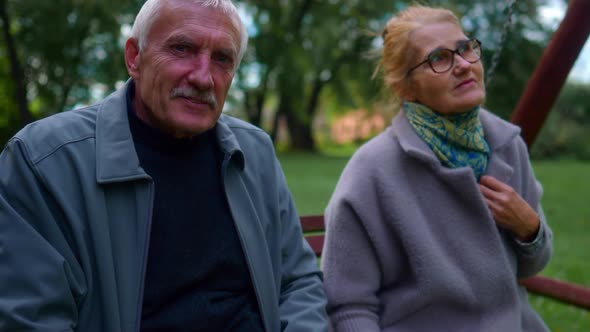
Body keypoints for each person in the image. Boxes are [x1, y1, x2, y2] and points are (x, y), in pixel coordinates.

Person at [0, 0, 328, 331]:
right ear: (134, 57)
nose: (203, 77)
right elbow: (31, 320)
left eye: (222, 59)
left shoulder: (254, 154)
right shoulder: (44, 163)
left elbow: (299, 284)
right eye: (182, 48)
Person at [321, 5, 552, 332]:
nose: (462, 64)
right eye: (439, 58)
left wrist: (530, 228)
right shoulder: (373, 170)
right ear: (404, 87)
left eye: (464, 49)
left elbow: (532, 267)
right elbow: (347, 305)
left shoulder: (507, 146)